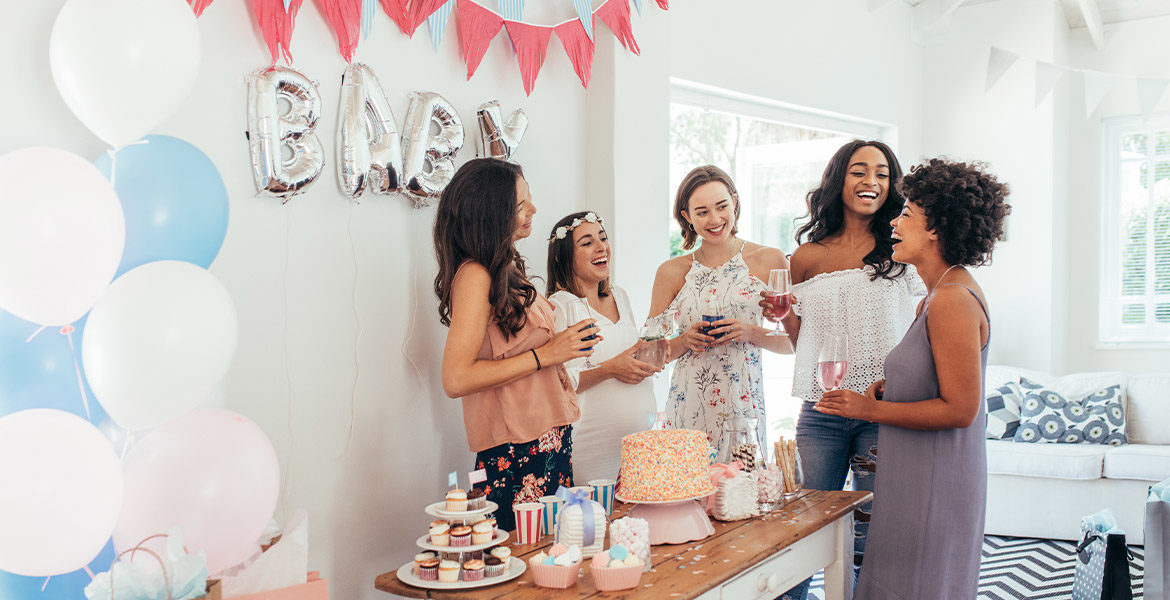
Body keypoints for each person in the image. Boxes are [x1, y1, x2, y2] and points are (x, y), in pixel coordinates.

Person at [815, 158, 1010, 599]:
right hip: (916, 474)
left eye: (907, 215)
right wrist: (895, 386)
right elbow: (937, 376)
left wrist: (869, 408)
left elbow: (961, 410)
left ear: (937, 229)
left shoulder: (952, 300)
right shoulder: (936, 292)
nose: (895, 224)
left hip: (933, 483)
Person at [762, 140, 924, 600]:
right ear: (840, 180)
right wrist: (783, 315)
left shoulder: (903, 247)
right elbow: (802, 340)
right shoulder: (808, 257)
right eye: (858, 171)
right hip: (823, 410)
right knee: (803, 525)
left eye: (882, 173)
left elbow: (924, 319)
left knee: (871, 537)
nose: (870, 181)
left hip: (883, 410)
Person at [433, 158, 597, 532]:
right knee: (524, 570)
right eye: (521, 204)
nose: (534, 209)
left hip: (548, 439)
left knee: (554, 560)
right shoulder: (475, 275)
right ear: (493, 212)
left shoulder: (505, 267)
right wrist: (546, 354)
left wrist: (563, 346)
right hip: (516, 451)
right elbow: (455, 378)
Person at [648, 165, 792, 456]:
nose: (715, 219)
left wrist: (749, 332)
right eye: (702, 212)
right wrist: (684, 341)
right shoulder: (671, 272)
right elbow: (646, 356)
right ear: (687, 217)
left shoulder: (769, 259)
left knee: (742, 495)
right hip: (687, 410)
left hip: (744, 411)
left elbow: (795, 342)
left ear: (735, 203)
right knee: (689, 497)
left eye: (722, 206)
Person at [546, 211, 659, 483]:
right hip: (591, 444)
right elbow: (558, 383)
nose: (601, 247)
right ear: (563, 256)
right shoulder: (561, 305)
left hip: (639, 442)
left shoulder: (620, 295)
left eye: (603, 238)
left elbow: (629, 354)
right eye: (586, 243)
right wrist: (610, 369)